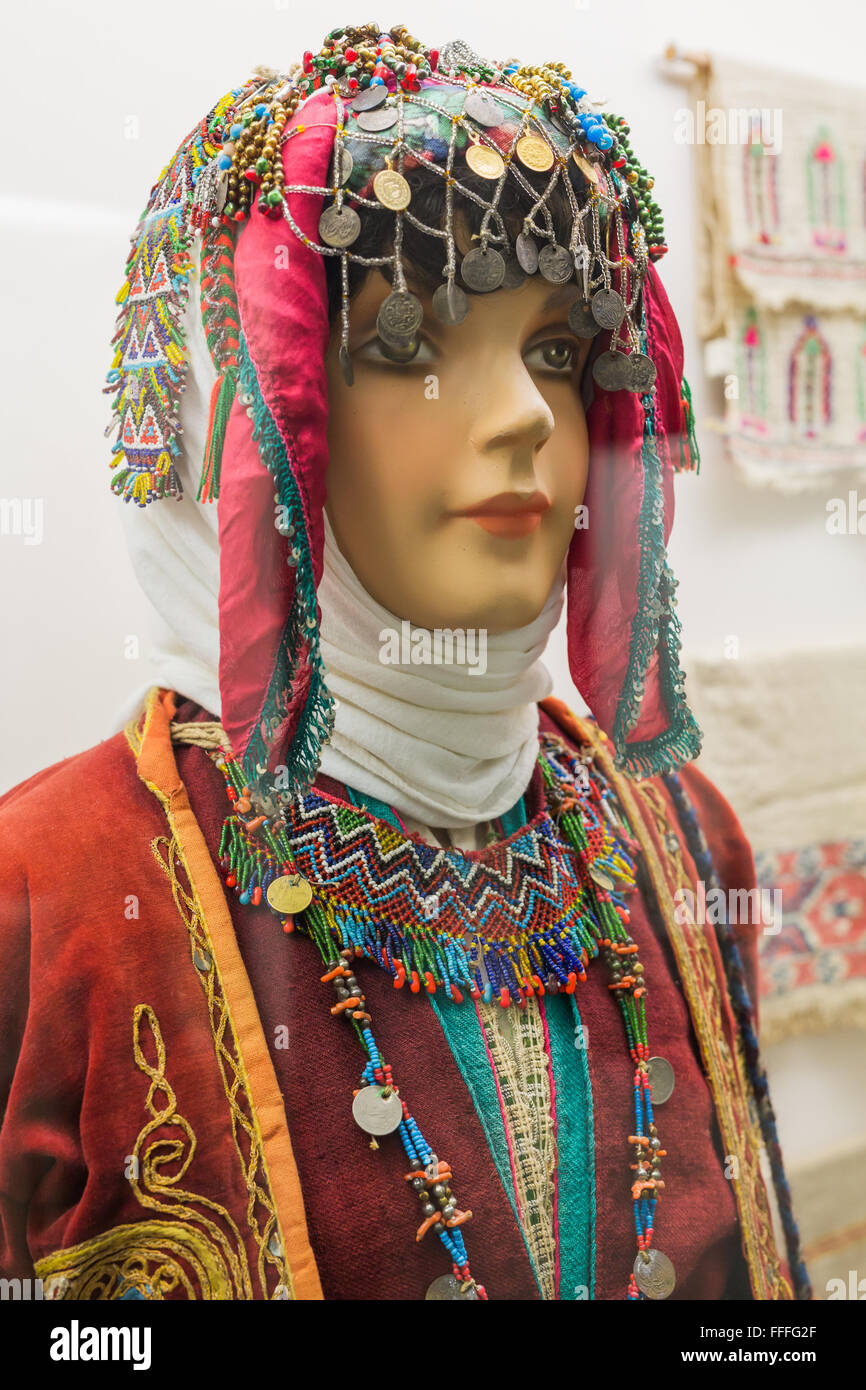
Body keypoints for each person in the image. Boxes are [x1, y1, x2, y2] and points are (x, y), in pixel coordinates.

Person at [0, 22, 809, 1302]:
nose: (522, 420)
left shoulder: (681, 836)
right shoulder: (49, 891)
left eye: (554, 351)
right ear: (243, 415)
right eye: (405, 346)